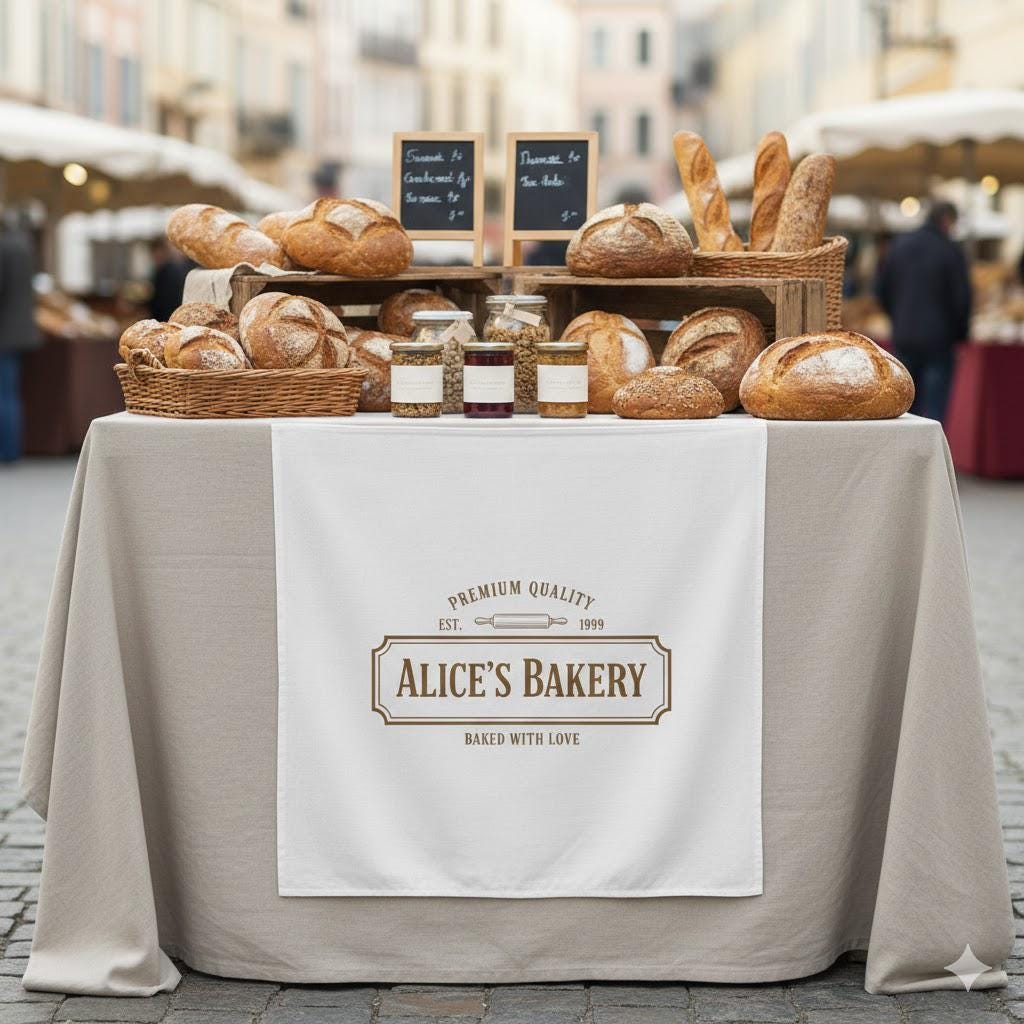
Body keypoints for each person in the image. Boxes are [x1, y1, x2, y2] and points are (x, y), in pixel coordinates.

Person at [875, 201, 971, 422]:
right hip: (939, 341)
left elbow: (880, 290)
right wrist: (960, 334)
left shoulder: (899, 246)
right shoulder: (950, 250)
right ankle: (931, 447)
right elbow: (961, 299)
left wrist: (898, 318)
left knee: (905, 410)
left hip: (904, 336)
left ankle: (906, 447)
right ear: (946, 220)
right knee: (935, 411)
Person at [0, 214, 41, 463]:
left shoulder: (4, 248)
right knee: (10, 393)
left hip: (5, 332)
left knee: (5, 393)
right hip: (21, 329)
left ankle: (7, 449)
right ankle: (12, 448)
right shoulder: (23, 244)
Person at [148, 238, 192, 322]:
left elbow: (160, 300)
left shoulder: (166, 270)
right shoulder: (177, 268)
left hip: (165, 316)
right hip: (174, 314)